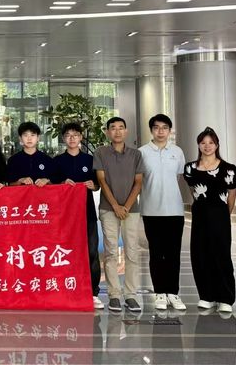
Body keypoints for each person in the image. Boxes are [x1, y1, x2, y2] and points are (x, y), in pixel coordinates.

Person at [183, 127, 236, 314]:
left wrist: (223, 214)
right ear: (198, 145)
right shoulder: (190, 168)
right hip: (200, 215)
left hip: (220, 216)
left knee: (221, 255)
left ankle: (225, 298)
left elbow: (232, 195)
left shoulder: (228, 168)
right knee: (200, 254)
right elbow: (193, 191)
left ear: (217, 145)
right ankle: (206, 295)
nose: (207, 146)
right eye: (203, 143)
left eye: (211, 143)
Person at [49, 122, 102, 309]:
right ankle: (66, 289)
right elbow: (50, 186)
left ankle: (93, 292)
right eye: (68, 135)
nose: (72, 138)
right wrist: (63, 184)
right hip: (64, 216)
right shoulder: (57, 161)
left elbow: (98, 184)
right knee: (65, 252)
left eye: (75, 135)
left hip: (87, 212)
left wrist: (93, 186)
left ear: (81, 137)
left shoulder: (90, 160)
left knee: (91, 251)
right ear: (64, 139)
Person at [93, 117, 143, 313]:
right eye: (113, 128)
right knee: (111, 252)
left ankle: (131, 295)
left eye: (121, 128)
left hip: (131, 210)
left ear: (126, 131)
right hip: (108, 209)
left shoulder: (136, 154)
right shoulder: (101, 152)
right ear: (107, 132)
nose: (117, 131)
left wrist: (126, 207)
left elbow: (138, 182)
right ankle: (114, 295)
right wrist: (115, 206)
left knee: (131, 252)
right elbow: (101, 181)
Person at [138, 114, 187, 311]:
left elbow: (178, 177)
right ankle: (159, 293)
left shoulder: (177, 151)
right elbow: (139, 181)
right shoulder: (142, 152)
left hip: (175, 210)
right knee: (156, 253)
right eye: (156, 127)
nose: (160, 131)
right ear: (151, 130)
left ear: (169, 130)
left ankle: (173, 293)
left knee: (173, 253)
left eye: (164, 127)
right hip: (151, 210)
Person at [6, 121, 53, 185]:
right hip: (21, 192)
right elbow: (9, 184)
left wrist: (47, 181)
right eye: (25, 135)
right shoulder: (13, 160)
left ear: (38, 138)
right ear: (20, 138)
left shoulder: (47, 160)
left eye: (32, 135)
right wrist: (20, 181)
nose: (29, 138)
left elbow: (55, 184)